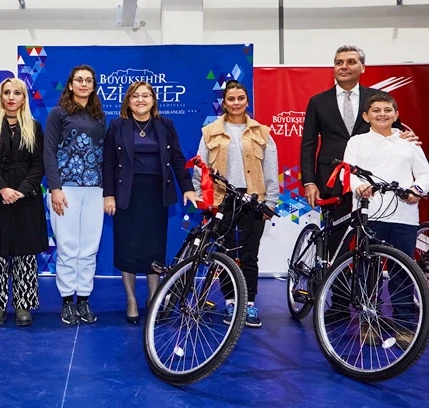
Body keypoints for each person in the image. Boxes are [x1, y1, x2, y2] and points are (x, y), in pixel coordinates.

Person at [300, 45, 416, 319]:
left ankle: (373, 304)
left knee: (369, 247)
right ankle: (340, 305)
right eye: (339, 62)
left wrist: (407, 136)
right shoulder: (318, 101)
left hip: (371, 183)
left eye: (351, 61)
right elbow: (308, 144)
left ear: (362, 67)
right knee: (337, 243)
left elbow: (393, 129)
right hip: (332, 180)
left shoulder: (375, 99)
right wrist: (309, 182)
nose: (344, 66)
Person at [103, 81, 198, 325]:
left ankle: (154, 298)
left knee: (154, 248)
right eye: (135, 96)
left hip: (156, 194)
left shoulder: (165, 125)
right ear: (128, 100)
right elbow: (109, 163)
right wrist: (109, 194)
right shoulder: (117, 125)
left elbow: (177, 158)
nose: (140, 100)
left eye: (146, 95)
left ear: (153, 100)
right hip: (127, 194)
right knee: (127, 247)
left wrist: (188, 188)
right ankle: (131, 300)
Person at [343, 93, 429, 348]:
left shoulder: (408, 142)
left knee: (403, 271)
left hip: (404, 215)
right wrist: (358, 187)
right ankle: (369, 321)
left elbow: (425, 173)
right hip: (369, 213)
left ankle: (405, 324)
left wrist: (417, 190)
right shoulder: (357, 142)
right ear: (366, 116)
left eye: (388, 110)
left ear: (396, 114)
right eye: (376, 110)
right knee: (367, 270)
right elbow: (348, 173)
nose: (382, 114)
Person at [193, 80, 279, 328]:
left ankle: (249, 304)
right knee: (225, 255)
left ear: (247, 101)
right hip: (222, 201)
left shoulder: (262, 132)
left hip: (254, 200)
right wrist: (202, 198)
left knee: (250, 256)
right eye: (231, 98)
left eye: (241, 98)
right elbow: (200, 168)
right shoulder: (209, 132)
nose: (236, 102)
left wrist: (271, 202)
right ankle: (231, 302)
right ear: (224, 102)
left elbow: (271, 169)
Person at [0, 78, 48, 327]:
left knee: (25, 252)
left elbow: (39, 164)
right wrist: (2, 188)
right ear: (1, 97)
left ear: (24, 98)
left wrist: (22, 191)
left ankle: (23, 305)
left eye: (17, 93)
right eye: (6, 93)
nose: (11, 97)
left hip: (25, 199)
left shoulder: (34, 127)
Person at [43, 65, 106, 326]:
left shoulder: (99, 116)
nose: (83, 84)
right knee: (68, 247)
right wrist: (55, 188)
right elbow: (48, 151)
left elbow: (104, 154)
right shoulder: (58, 113)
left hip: (94, 190)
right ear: (70, 85)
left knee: (89, 248)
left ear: (93, 86)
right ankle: (67, 300)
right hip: (65, 189)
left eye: (88, 80)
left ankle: (84, 300)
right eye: (78, 80)